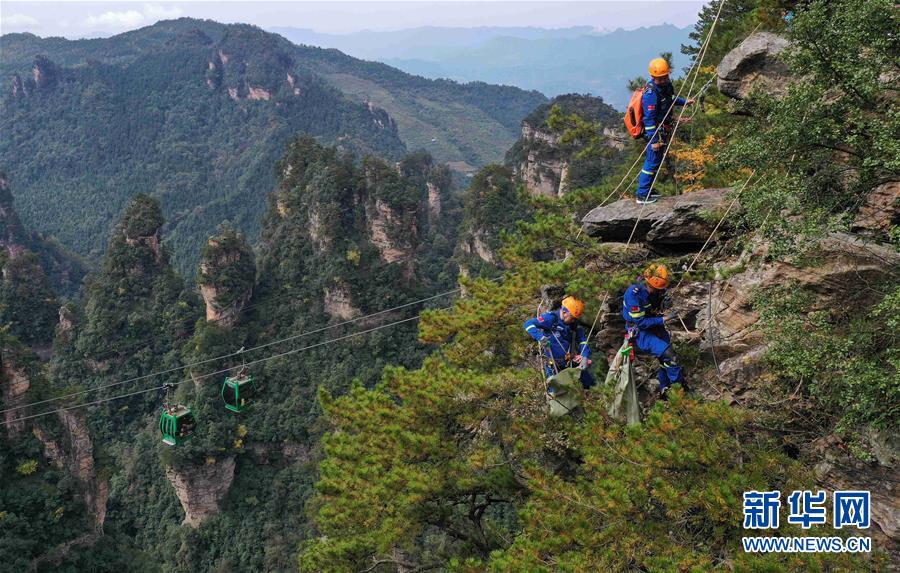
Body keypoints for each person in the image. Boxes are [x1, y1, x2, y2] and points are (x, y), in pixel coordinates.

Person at [622, 263, 686, 397]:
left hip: (654, 324)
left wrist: (664, 301)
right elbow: (641, 322)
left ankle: (665, 389)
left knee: (665, 359)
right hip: (640, 330)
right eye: (656, 289)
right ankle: (679, 392)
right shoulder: (633, 295)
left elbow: (655, 302)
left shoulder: (655, 290)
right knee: (670, 356)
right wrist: (664, 319)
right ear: (649, 284)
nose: (658, 291)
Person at [635, 58, 694, 204]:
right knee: (652, 162)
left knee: (655, 162)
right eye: (659, 78)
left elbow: (670, 99)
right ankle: (642, 194)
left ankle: (647, 190)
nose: (662, 80)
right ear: (652, 77)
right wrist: (653, 140)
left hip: (663, 128)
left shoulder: (666, 86)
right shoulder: (650, 94)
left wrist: (684, 102)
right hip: (656, 132)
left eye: (664, 77)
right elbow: (649, 119)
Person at [524, 296, 595, 391]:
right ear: (564, 312)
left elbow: (582, 340)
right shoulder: (550, 319)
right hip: (554, 366)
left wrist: (584, 356)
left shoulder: (573, 324)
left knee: (590, 387)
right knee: (557, 394)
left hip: (571, 362)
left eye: (575, 319)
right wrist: (540, 337)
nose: (573, 321)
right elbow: (528, 324)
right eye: (572, 318)